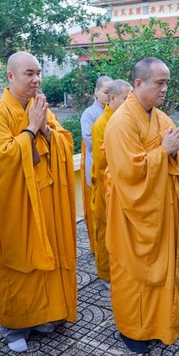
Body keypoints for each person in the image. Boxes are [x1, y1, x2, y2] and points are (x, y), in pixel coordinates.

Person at [0, 51, 77, 353]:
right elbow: (0, 160)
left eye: (38, 73)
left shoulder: (40, 107)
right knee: (21, 262)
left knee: (47, 258)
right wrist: (31, 130)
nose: (36, 79)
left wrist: (46, 129)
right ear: (10, 76)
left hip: (46, 199)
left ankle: (44, 316)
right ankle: (15, 327)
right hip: (18, 205)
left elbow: (63, 141)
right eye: (28, 73)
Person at [104, 58, 179, 354]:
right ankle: (134, 329)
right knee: (134, 274)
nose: (165, 89)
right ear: (139, 83)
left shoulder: (161, 118)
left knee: (165, 266)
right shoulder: (121, 122)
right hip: (134, 215)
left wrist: (172, 150)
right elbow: (128, 172)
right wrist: (163, 152)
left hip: (163, 210)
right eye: (160, 82)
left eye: (167, 82)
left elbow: (173, 153)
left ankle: (161, 322)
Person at [90, 79, 132, 287]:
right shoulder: (102, 124)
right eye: (127, 99)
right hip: (108, 185)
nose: (130, 102)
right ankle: (106, 273)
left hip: (124, 186)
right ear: (112, 98)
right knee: (106, 228)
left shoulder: (124, 120)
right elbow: (102, 162)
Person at [80, 75, 113, 252]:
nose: (108, 96)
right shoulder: (90, 114)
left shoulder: (115, 111)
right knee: (97, 213)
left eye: (111, 92)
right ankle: (97, 248)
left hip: (113, 168)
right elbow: (89, 140)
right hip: (96, 166)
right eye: (105, 92)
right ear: (96, 92)